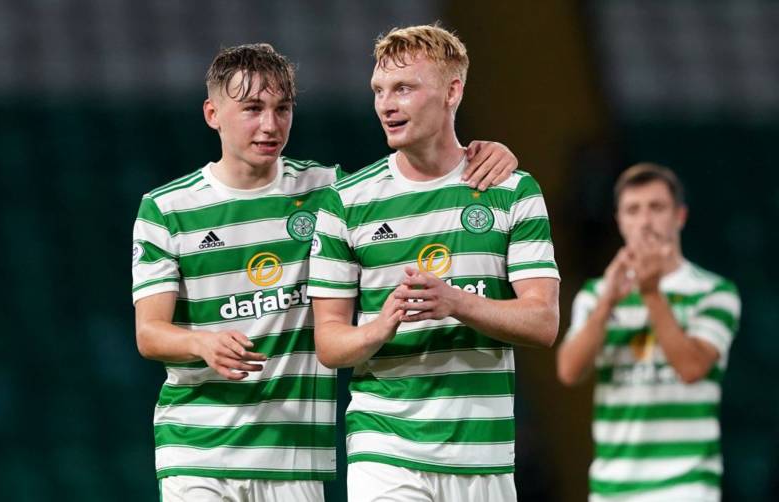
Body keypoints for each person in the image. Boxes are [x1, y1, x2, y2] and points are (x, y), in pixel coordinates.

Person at [131, 43, 520, 501]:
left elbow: (408, 178)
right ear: (212, 113)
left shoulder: (329, 191)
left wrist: (491, 153)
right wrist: (201, 342)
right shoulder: (167, 209)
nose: (270, 125)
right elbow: (149, 333)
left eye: (282, 109)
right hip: (197, 446)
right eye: (252, 109)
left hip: (295, 454)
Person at [308, 24, 560, 502]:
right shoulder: (346, 202)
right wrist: (379, 328)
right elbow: (329, 343)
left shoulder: (513, 191)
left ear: (452, 92)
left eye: (404, 88)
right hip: (384, 448)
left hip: (482, 454)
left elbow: (543, 322)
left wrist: (453, 302)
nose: (386, 104)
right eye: (379, 90)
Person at [557, 163, 740, 502]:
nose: (644, 221)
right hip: (612, 487)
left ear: (679, 216)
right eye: (633, 210)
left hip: (687, 484)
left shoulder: (714, 291)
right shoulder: (596, 295)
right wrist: (607, 303)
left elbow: (692, 368)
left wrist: (651, 293)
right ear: (619, 221)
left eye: (656, 208)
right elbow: (569, 371)